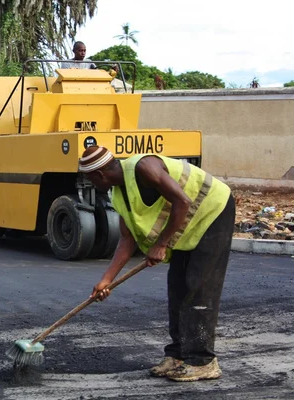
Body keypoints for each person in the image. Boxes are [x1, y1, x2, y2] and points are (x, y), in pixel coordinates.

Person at [79, 146, 234, 382]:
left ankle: (203, 361)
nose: (89, 184)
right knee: (178, 286)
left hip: (213, 211)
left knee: (198, 287)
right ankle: (178, 355)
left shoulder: (144, 167)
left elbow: (182, 200)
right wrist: (106, 280)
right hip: (188, 226)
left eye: (88, 179)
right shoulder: (119, 193)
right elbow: (127, 238)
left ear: (100, 174)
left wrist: (161, 244)